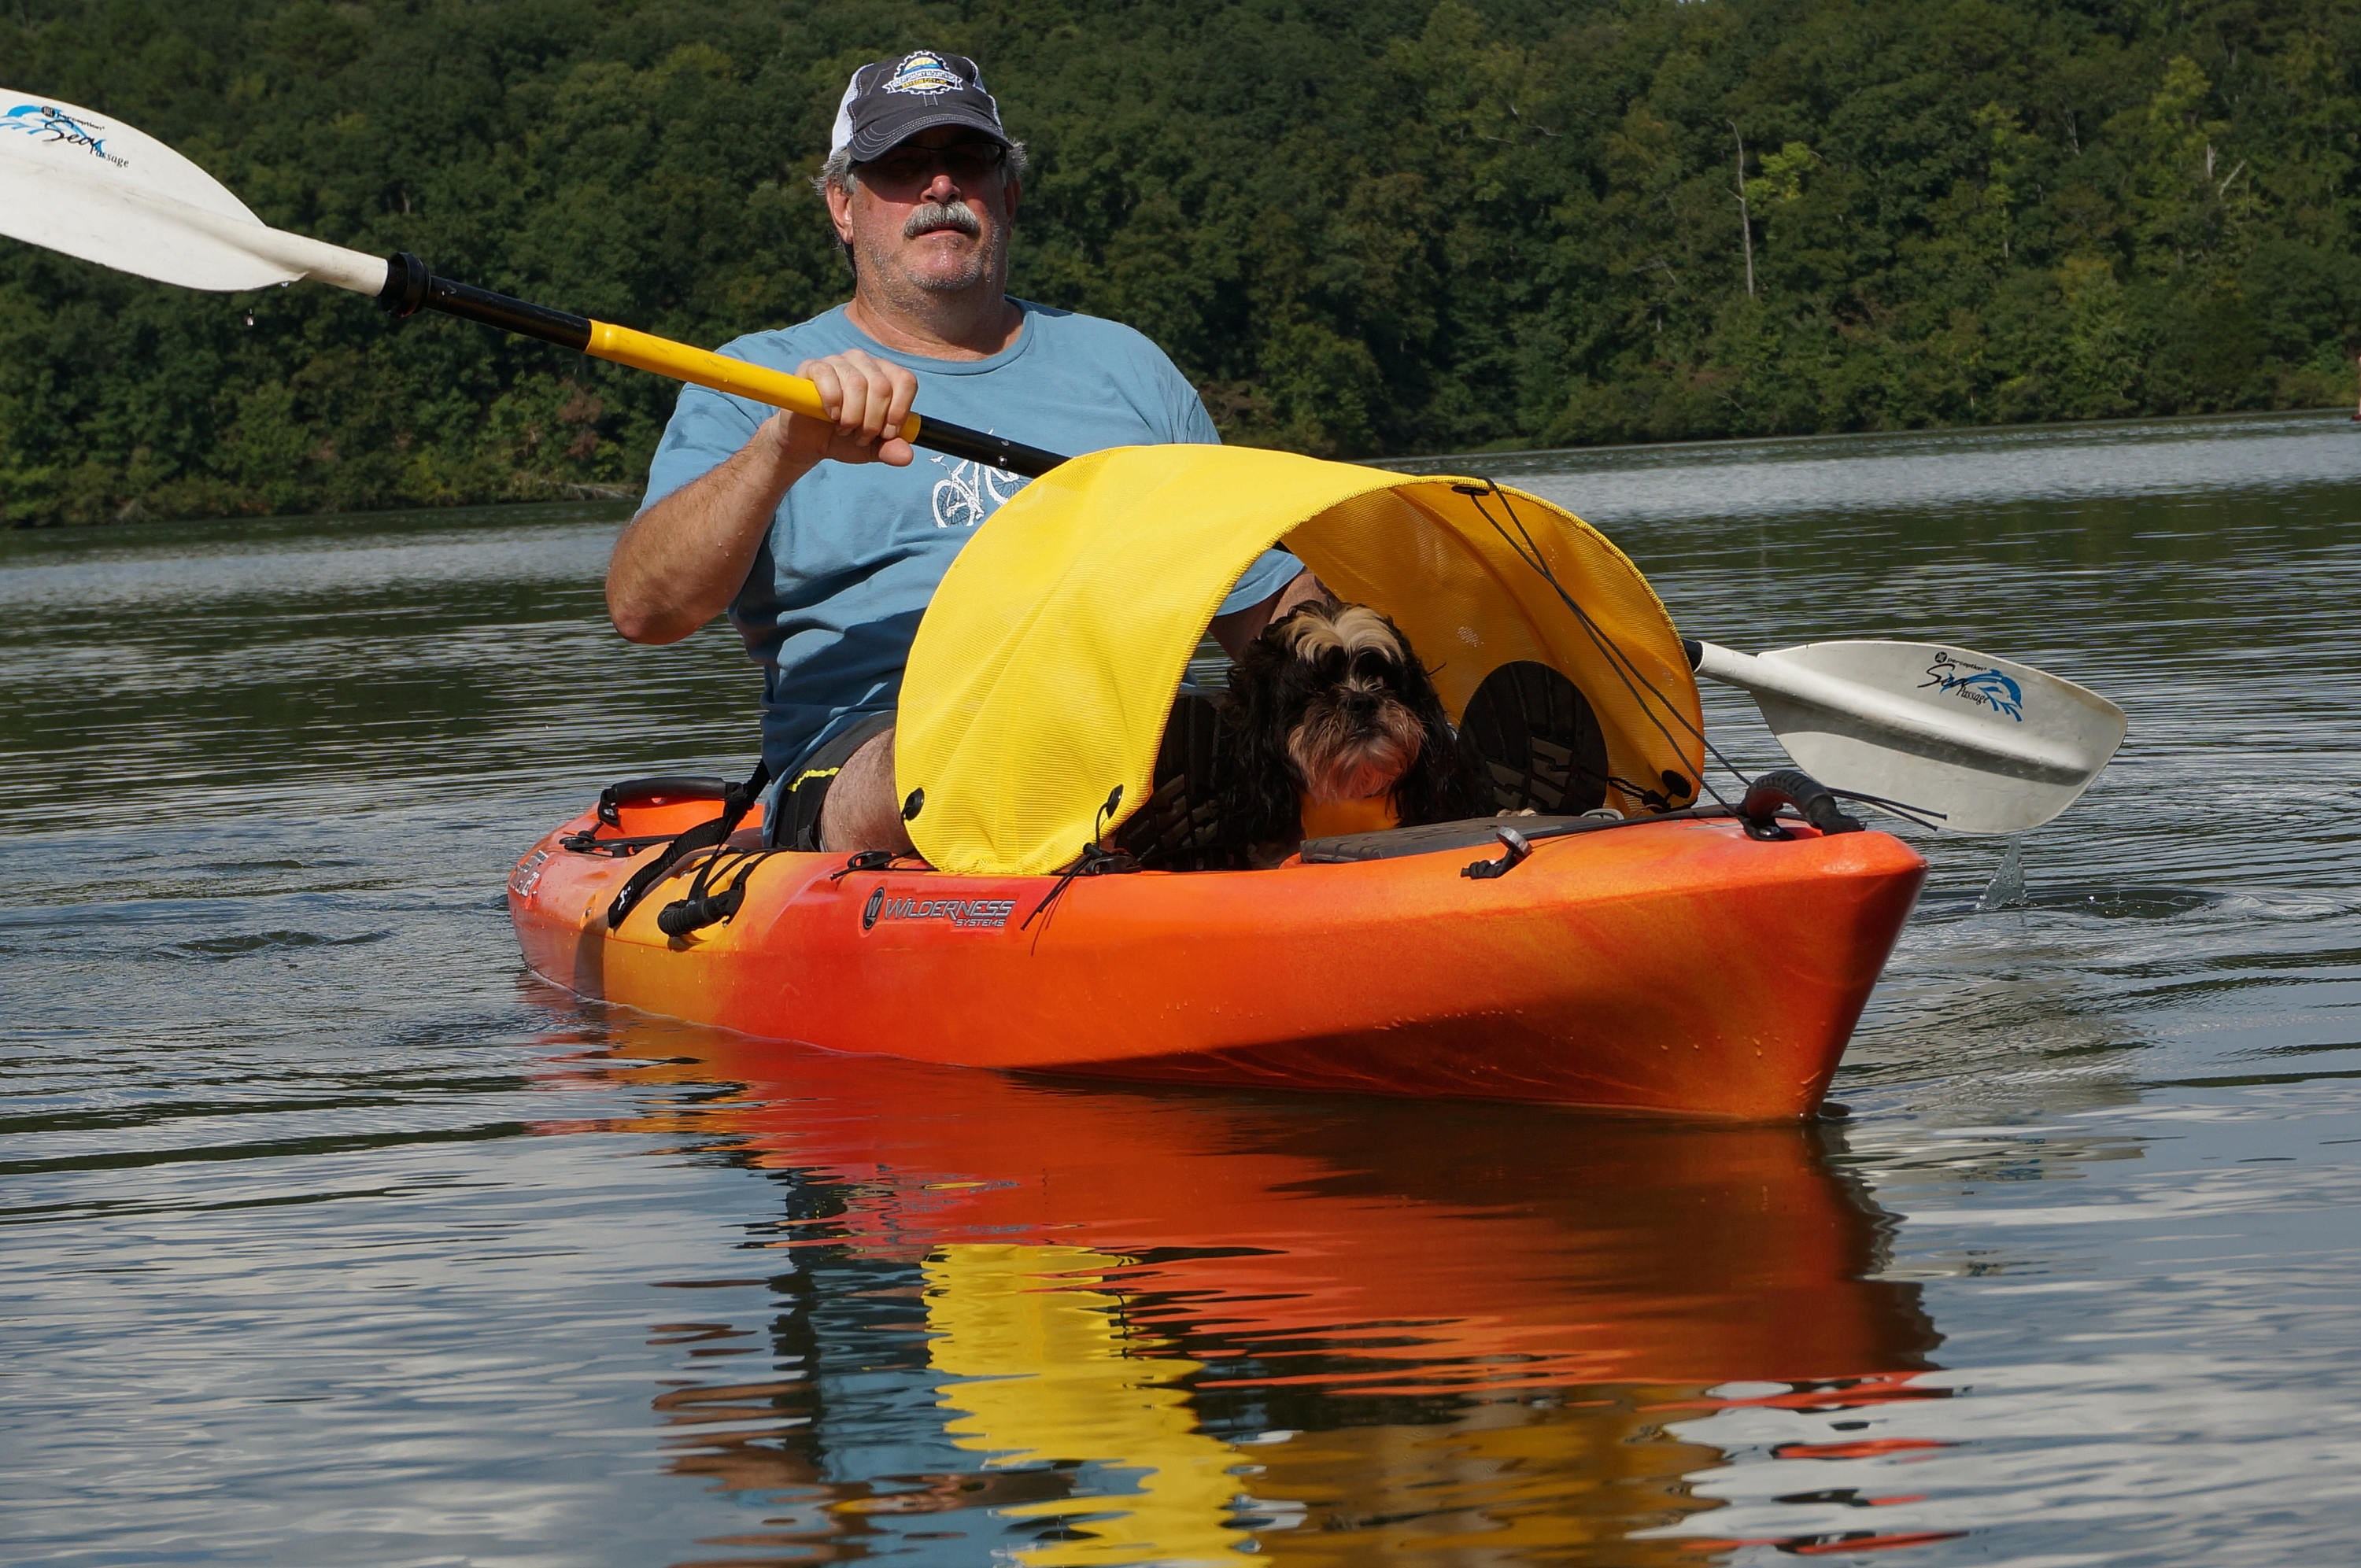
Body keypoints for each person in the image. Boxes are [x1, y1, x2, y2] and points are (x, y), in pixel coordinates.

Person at [606, 49, 1318, 854]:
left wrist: (1350, 672)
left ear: (1007, 195)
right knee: (944, 751)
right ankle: (1115, 791)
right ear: (843, 205)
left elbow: (1267, 613)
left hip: (1127, 716)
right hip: (865, 762)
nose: (939, 186)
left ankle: (1212, 792)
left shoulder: (1129, 371)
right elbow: (646, 609)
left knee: (1336, 678)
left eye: (967, 161)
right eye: (902, 165)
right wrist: (782, 450)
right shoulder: (755, 380)